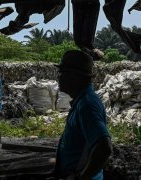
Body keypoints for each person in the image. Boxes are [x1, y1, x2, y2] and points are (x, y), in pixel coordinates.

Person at [53, 50, 112, 180]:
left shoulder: (87, 105)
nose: (59, 78)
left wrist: (82, 177)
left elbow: (104, 148)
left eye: (62, 73)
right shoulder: (81, 101)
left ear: (74, 77)